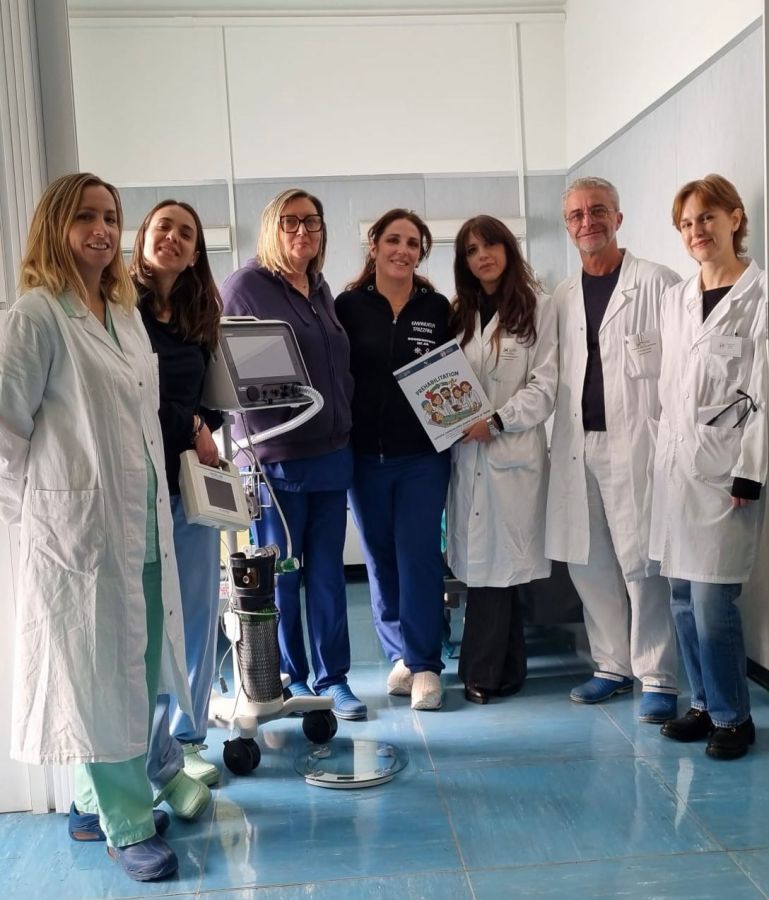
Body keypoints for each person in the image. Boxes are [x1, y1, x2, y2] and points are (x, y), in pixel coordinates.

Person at [0, 173, 190, 882]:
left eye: (110, 216)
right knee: (99, 678)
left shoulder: (122, 310)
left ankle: (90, 803)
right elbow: (4, 432)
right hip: (77, 532)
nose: (102, 230)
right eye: (86, 217)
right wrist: (38, 516)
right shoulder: (36, 315)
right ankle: (127, 825)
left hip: (139, 522)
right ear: (56, 226)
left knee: (131, 672)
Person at [221, 188, 365, 720]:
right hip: (274, 458)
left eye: (312, 221)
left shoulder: (320, 288)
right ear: (271, 228)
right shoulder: (247, 288)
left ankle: (334, 679)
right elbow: (237, 376)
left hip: (331, 454)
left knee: (327, 573)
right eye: (290, 222)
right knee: (280, 574)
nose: (303, 231)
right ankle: (289, 676)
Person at [545, 176, 681, 723]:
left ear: (618, 218)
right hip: (576, 444)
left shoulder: (658, 283)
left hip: (638, 445)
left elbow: (681, 370)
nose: (588, 221)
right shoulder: (561, 296)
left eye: (598, 210)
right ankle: (611, 665)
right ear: (567, 226)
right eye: (577, 214)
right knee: (588, 559)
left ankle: (658, 675)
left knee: (642, 561)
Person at [652, 175, 766, 760]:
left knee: (712, 602)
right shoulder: (676, 299)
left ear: (734, 218)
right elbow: (671, 385)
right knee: (679, 594)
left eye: (706, 218)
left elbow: (764, 391)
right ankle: (701, 704)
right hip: (676, 467)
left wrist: (751, 469)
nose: (697, 231)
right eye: (687, 223)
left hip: (727, 473)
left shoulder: (760, 296)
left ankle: (733, 718)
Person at [336, 209, 451, 710]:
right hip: (364, 456)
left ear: (421, 253)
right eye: (393, 240)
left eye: (412, 243)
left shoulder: (436, 307)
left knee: (418, 555)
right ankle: (401, 655)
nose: (402, 250)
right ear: (375, 246)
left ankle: (426, 664)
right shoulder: (348, 306)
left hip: (423, 456)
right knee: (380, 559)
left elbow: (451, 375)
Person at [130, 200, 223, 815]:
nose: (173, 237)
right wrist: (189, 424)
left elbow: (213, 399)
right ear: (143, 236)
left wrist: (204, 425)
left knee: (197, 616)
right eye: (163, 226)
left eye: (186, 233)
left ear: (194, 254)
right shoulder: (119, 311)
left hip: (189, 488)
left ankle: (189, 738)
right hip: (141, 489)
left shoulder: (198, 317)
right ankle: (153, 754)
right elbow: (137, 396)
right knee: (150, 630)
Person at [447, 215, 557, 704]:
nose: (482, 256)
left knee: (495, 570)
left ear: (508, 249)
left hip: (510, 451)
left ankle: (481, 672)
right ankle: (510, 670)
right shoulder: (460, 313)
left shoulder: (538, 308)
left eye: (490, 245)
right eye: (471, 251)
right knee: (491, 569)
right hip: (467, 454)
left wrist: (496, 421)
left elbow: (545, 386)